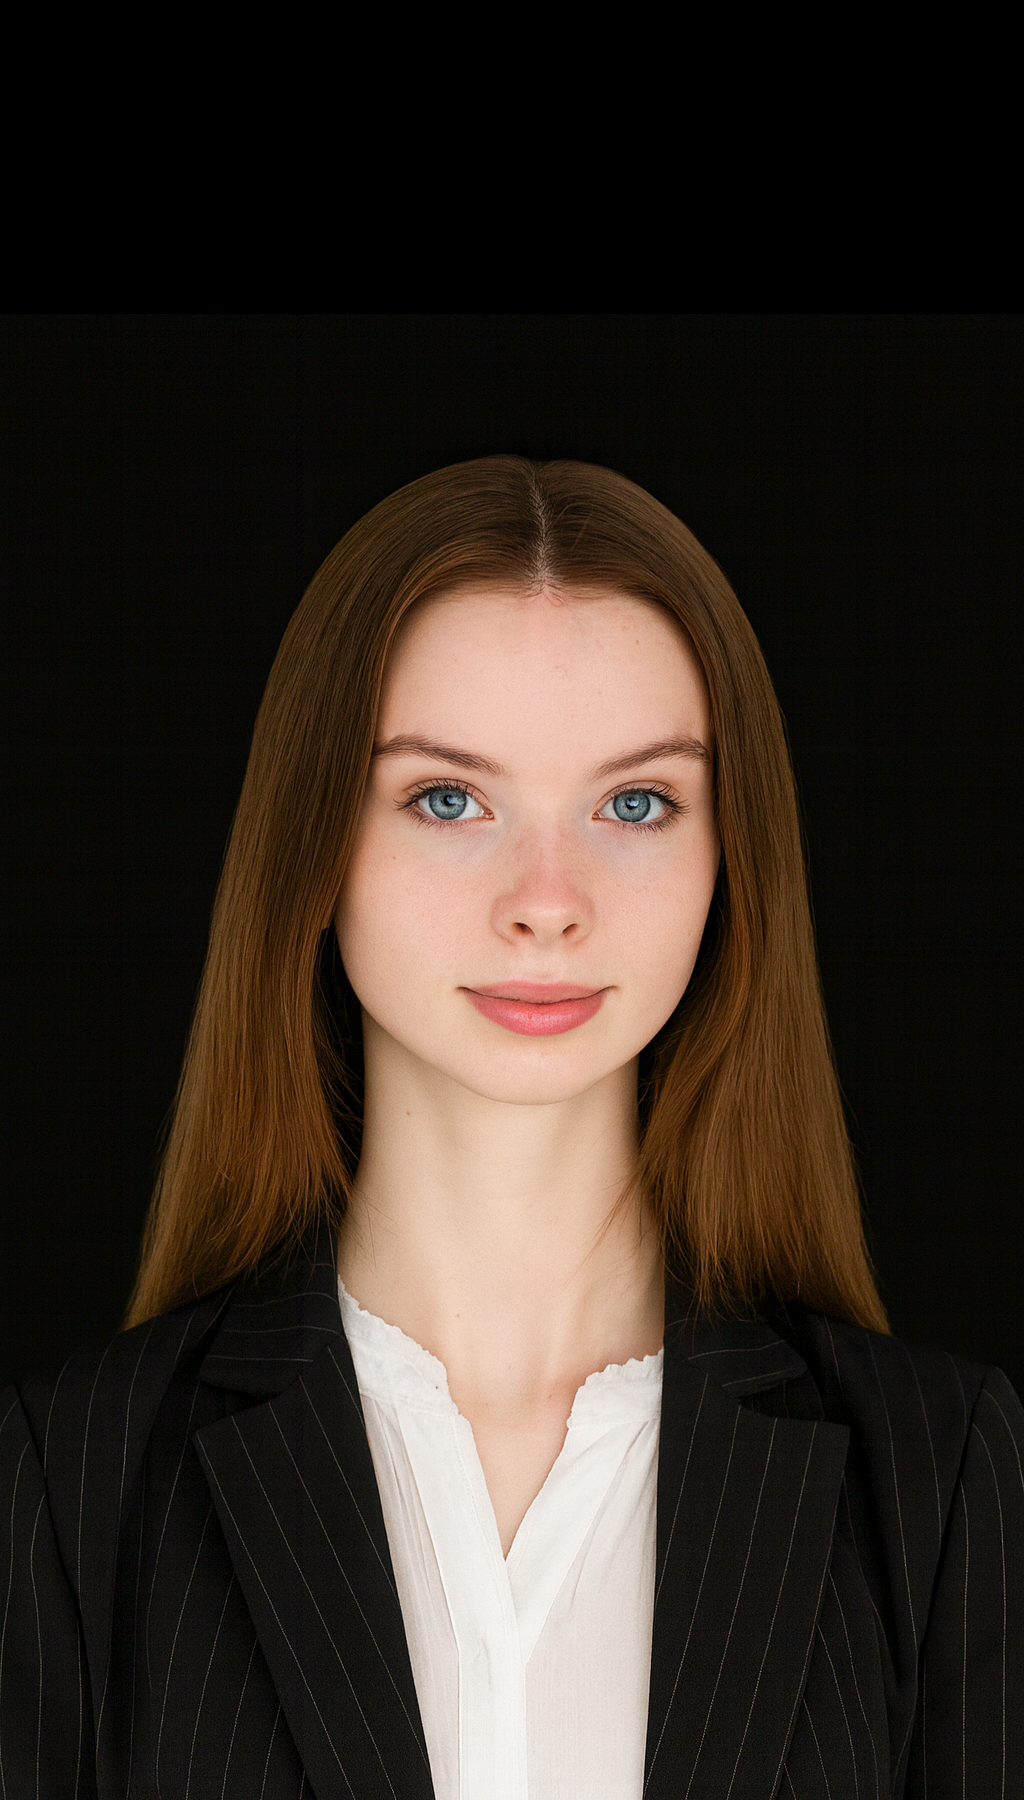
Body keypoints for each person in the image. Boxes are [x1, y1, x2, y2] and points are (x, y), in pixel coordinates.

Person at [1, 456, 1021, 1799]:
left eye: (637, 803)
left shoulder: (939, 1480)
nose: (549, 900)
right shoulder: (71, 1480)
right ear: (316, 847)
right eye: (447, 799)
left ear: (731, 861)